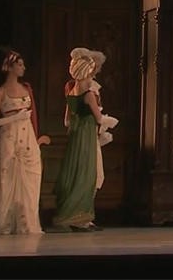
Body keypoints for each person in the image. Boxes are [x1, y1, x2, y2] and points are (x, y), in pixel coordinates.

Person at [0, 51, 50, 235]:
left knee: (30, 180)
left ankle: (27, 222)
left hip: (27, 137)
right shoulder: (0, 92)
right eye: (20, 65)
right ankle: (6, 224)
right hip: (9, 137)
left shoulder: (26, 89)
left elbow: (33, 116)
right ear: (11, 67)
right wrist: (14, 117)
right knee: (8, 179)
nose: (23, 68)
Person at [51, 48, 105, 232]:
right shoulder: (88, 95)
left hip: (76, 136)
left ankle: (77, 217)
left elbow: (67, 121)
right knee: (87, 174)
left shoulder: (71, 92)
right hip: (87, 136)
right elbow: (99, 118)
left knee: (76, 173)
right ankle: (80, 218)